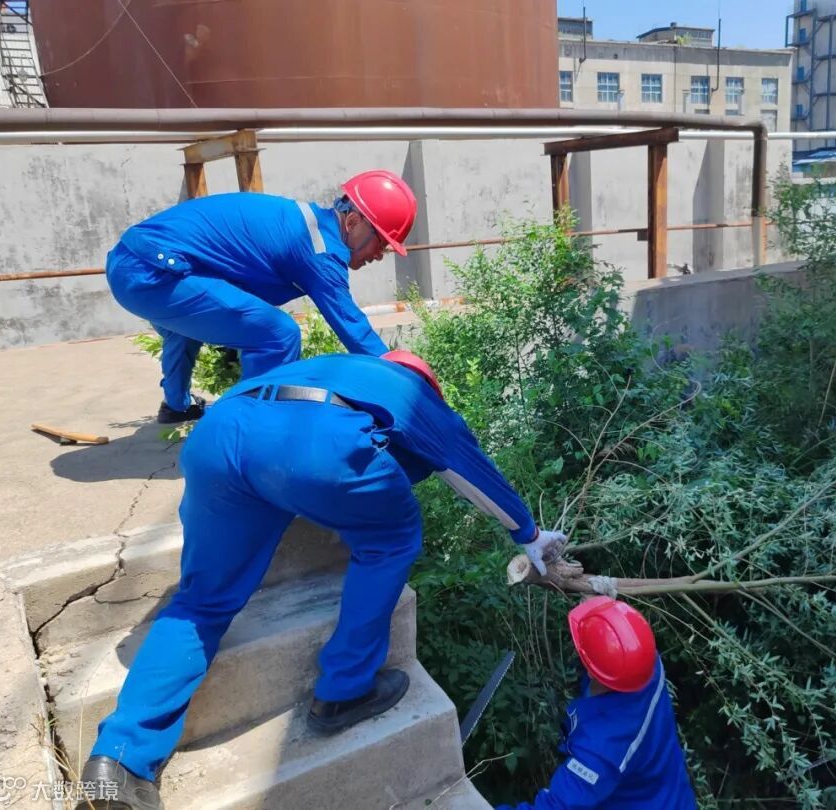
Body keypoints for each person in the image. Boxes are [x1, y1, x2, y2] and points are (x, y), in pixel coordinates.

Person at [74, 350, 567, 810]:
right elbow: (472, 471)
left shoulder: (336, 367)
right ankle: (344, 689)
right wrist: (530, 535)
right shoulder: (415, 392)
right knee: (391, 540)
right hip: (313, 447)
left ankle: (118, 758)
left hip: (218, 435)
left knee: (201, 601)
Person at [106, 170, 416, 423]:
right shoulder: (320, 251)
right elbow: (355, 330)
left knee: (186, 328)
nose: (380, 254)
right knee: (278, 335)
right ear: (353, 222)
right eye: (381, 242)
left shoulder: (304, 220)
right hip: (153, 273)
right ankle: (251, 430)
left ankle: (176, 406)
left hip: (133, 260)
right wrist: (404, 384)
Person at [498, 597, 696, 810]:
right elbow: (619, 635)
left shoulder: (601, 749)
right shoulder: (644, 661)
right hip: (667, 793)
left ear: (593, 672)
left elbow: (557, 806)